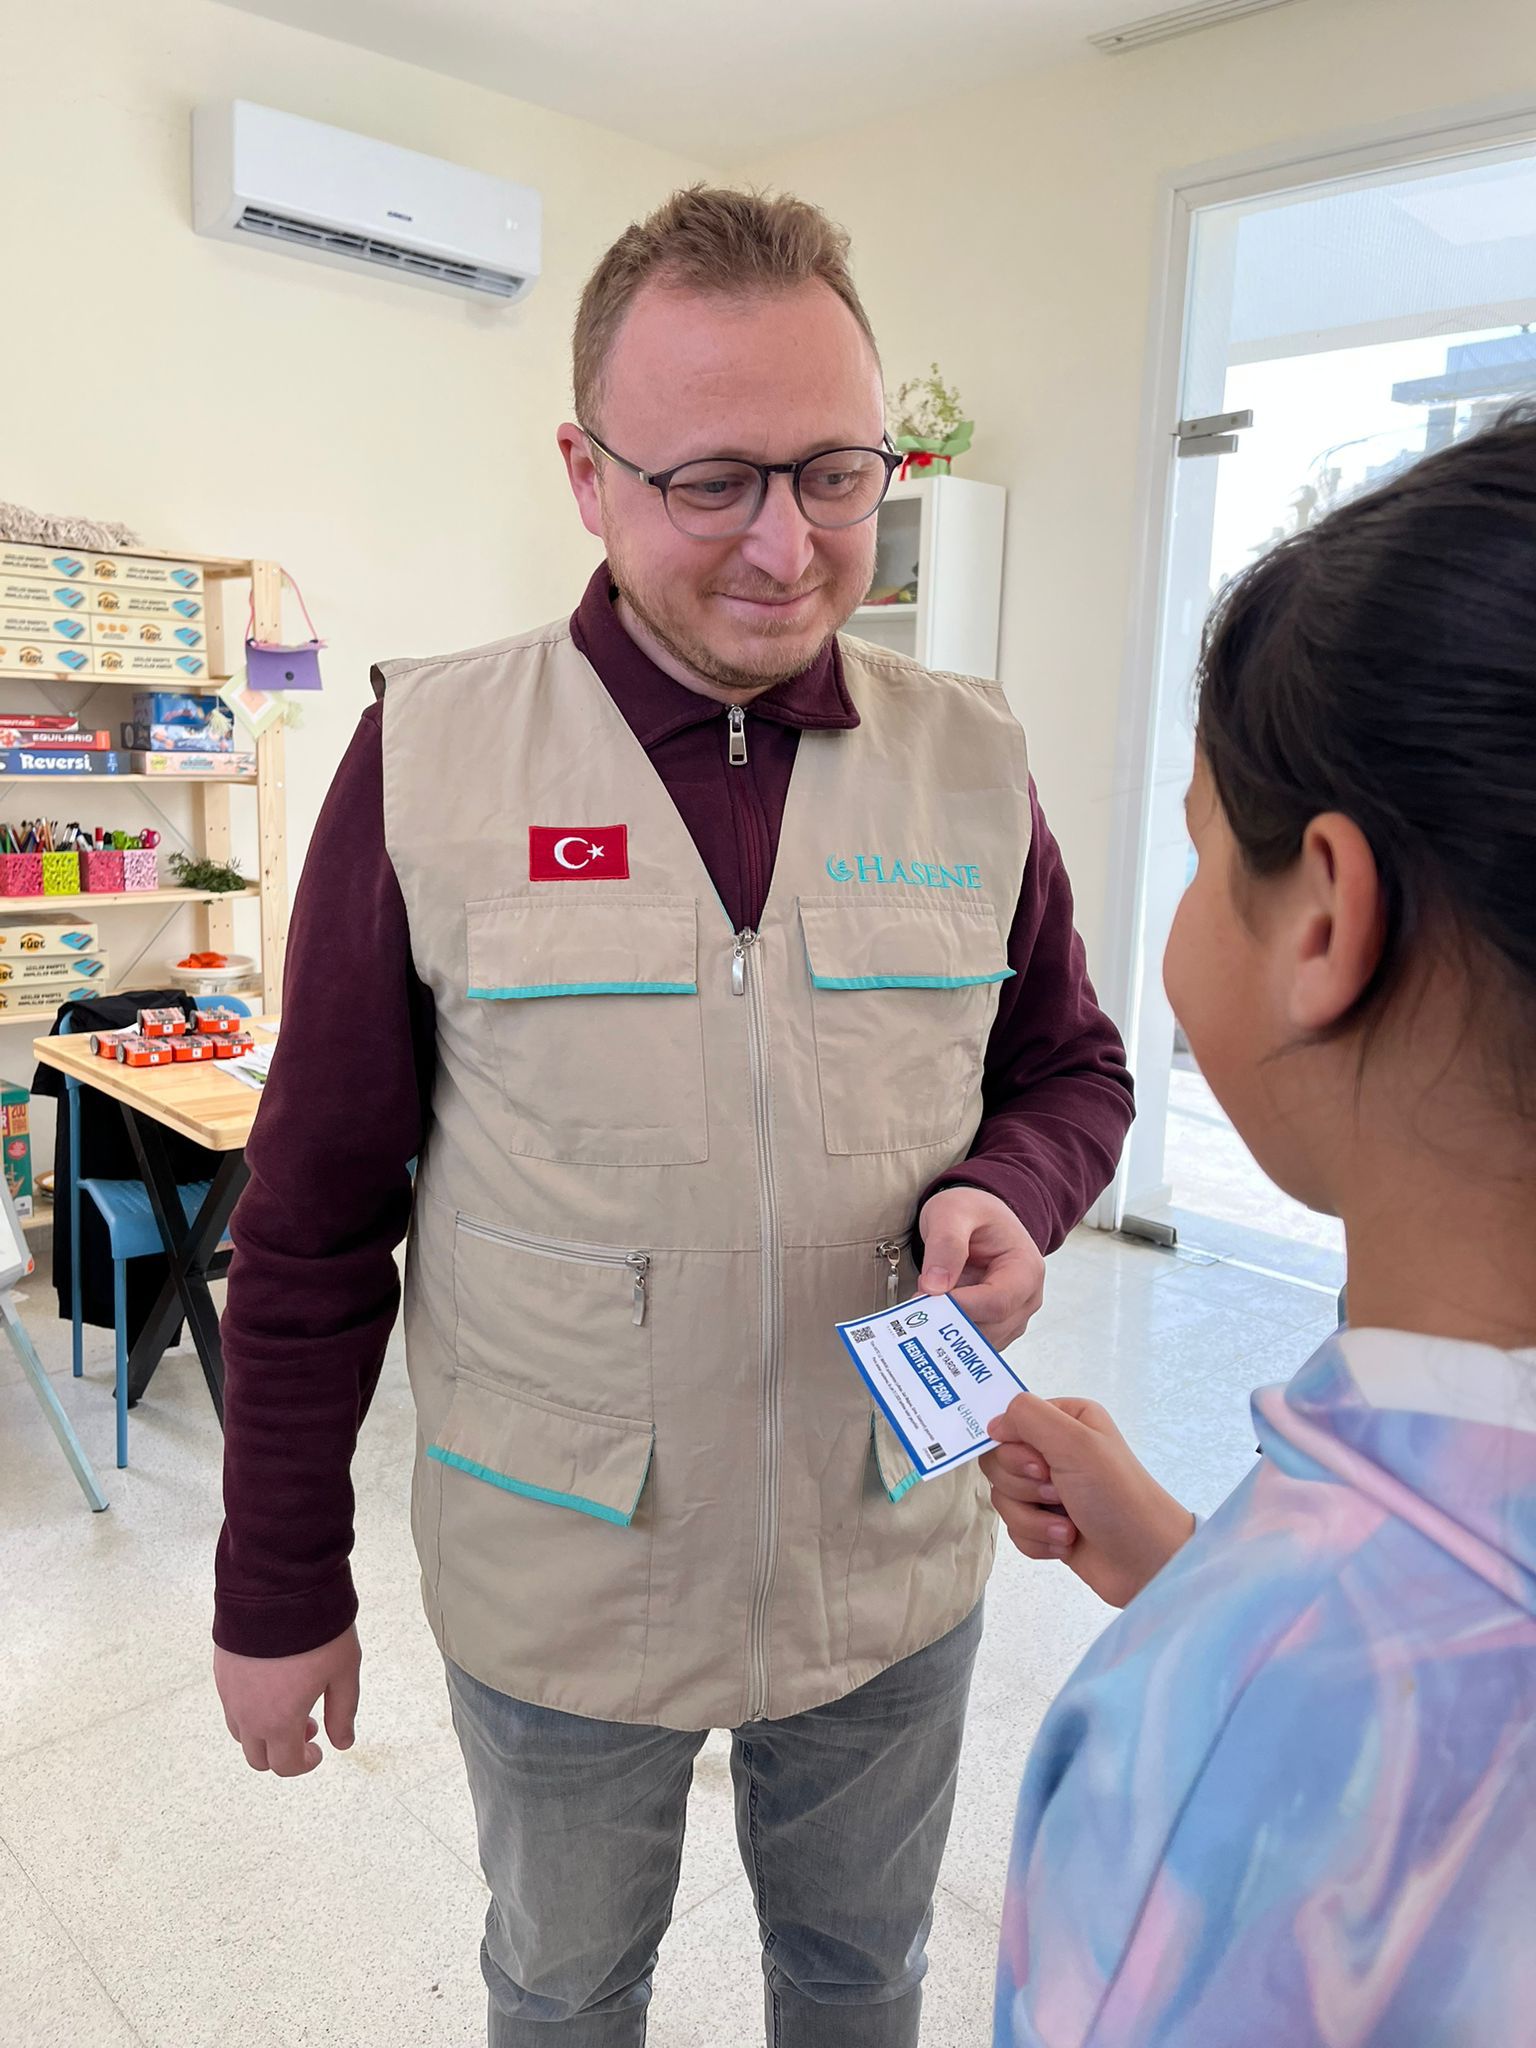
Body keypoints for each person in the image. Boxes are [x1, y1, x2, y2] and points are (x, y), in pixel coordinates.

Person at [212, 186, 1134, 2046]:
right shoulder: (434, 761)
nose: (789, 547)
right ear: (589, 472)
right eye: (714, 480)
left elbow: (1071, 1070)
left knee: (863, 1979)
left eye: (839, 475)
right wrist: (275, 1587)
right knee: (562, 1986)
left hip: (887, 1560)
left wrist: (1014, 1189)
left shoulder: (972, 763)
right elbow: (311, 1214)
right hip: (566, 1571)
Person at [983, 408, 1536, 2047]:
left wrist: (1244, 1624)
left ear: (1324, 917)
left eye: (1203, 849)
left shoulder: (1233, 1771)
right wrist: (1191, 1559)